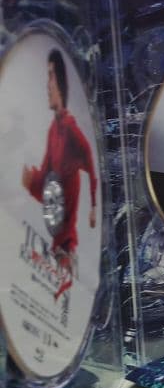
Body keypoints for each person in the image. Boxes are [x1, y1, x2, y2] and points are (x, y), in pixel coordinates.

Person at [23, 48, 98, 275]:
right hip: (55, 235)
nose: (47, 85)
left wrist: (93, 207)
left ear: (61, 84)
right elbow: (45, 186)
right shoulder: (52, 131)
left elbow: (92, 167)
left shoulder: (72, 131)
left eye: (51, 77)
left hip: (66, 243)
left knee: (66, 277)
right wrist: (30, 181)